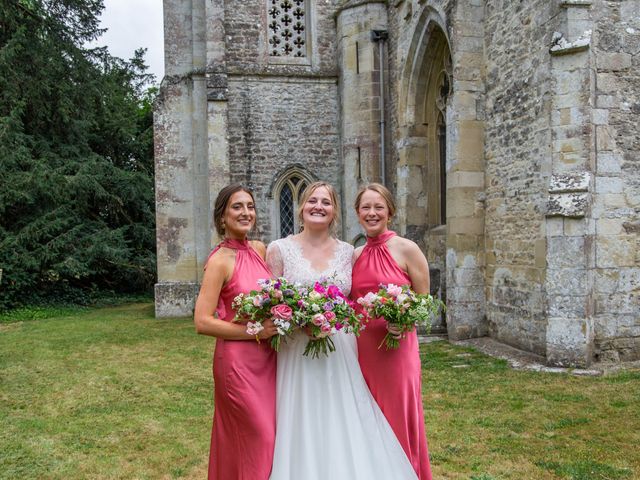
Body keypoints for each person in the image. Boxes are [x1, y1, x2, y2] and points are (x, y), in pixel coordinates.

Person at [267, 181, 417, 480]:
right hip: (297, 349)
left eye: (326, 202)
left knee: (343, 415)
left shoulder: (350, 253)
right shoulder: (279, 249)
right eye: (312, 201)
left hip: (341, 347)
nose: (318, 207)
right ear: (301, 207)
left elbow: (357, 297)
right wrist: (299, 319)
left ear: (334, 211)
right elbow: (272, 300)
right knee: (302, 416)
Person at [193, 184, 278, 480]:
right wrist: (255, 332)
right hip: (237, 364)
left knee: (269, 439)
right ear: (222, 217)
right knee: (261, 437)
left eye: (250, 206)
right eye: (237, 207)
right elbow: (202, 321)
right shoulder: (219, 262)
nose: (246, 213)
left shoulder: (259, 250)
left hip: (268, 361)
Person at [350, 183, 433, 479]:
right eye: (366, 208)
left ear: (390, 212)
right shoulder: (355, 254)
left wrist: (405, 322)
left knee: (397, 416)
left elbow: (424, 302)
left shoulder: (407, 249)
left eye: (378, 207)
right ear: (358, 213)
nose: (372, 213)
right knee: (368, 419)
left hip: (397, 351)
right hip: (363, 353)